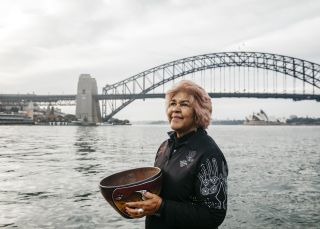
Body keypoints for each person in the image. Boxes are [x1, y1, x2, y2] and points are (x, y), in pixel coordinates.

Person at [125, 80, 228, 229]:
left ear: (198, 113)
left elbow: (214, 215)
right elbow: (161, 196)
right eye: (172, 103)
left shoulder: (209, 153)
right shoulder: (164, 147)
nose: (175, 109)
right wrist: (143, 206)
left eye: (184, 104)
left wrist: (161, 207)